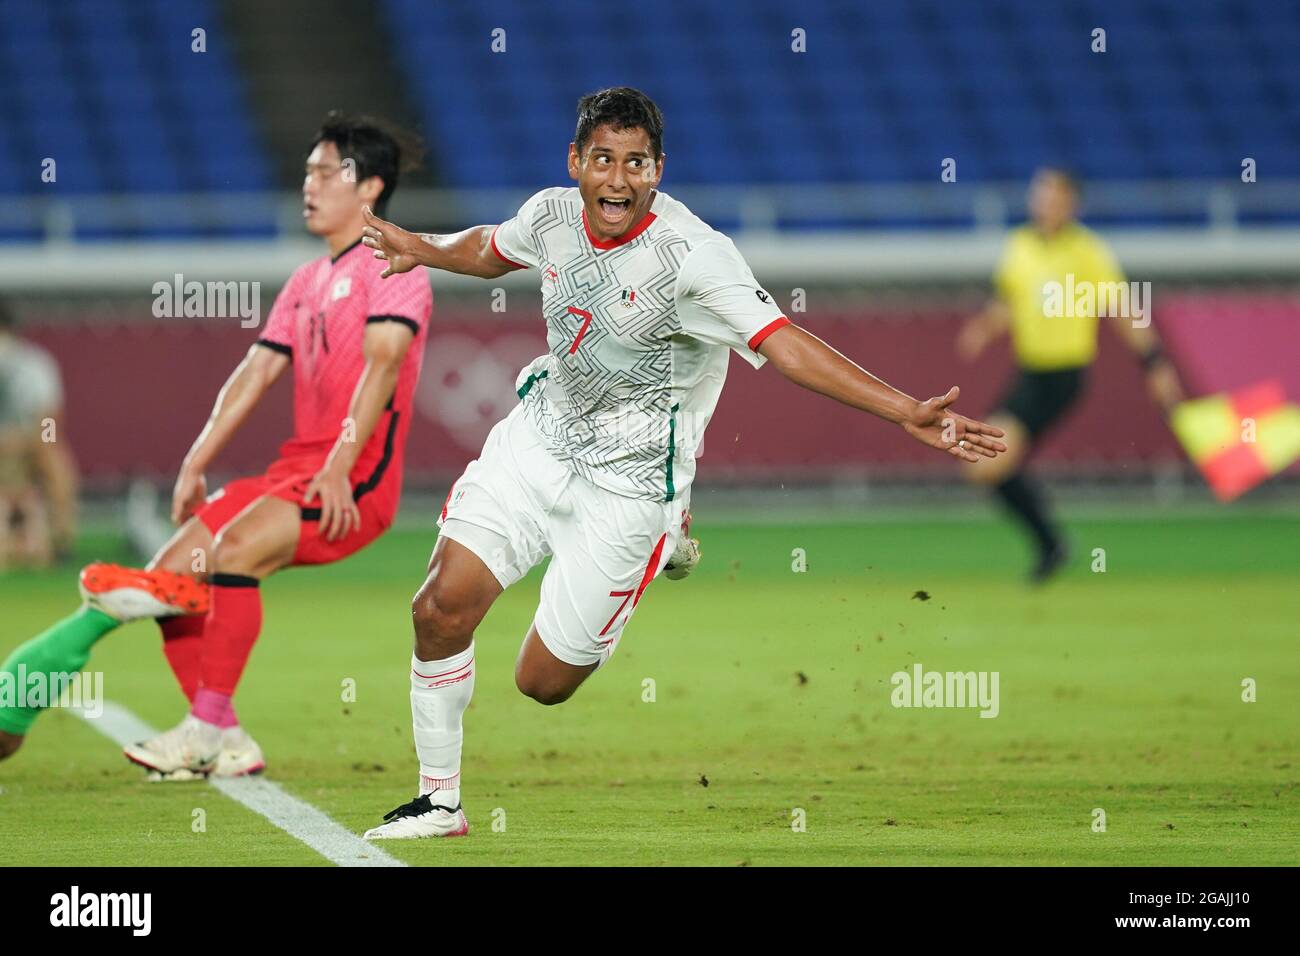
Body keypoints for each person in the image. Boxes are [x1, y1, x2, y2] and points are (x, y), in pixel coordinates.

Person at [355, 87, 1006, 839]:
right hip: (539, 440)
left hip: (631, 484)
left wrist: (903, 410)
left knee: (541, 683)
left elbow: (784, 344)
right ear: (576, 163)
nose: (618, 179)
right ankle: (439, 801)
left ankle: (665, 539)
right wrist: (423, 249)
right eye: (603, 160)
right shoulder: (552, 215)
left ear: (658, 171)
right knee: (438, 609)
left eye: (636, 163)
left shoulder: (695, 258)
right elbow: (494, 249)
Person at [0, 113, 432, 774]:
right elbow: (254, 372)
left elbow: (381, 367)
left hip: (357, 479)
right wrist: (194, 462)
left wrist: (343, 465)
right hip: (294, 472)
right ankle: (227, 739)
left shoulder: (398, 268)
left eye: (324, 172)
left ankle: (199, 733)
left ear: (368, 187)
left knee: (232, 552)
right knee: (169, 577)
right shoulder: (306, 282)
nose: (307, 184)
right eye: (307, 171)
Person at [957, 167, 1186, 582]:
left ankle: (1052, 543)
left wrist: (1155, 362)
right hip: (1029, 373)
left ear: (1070, 204)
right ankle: (1052, 544)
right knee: (984, 463)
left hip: (1061, 378)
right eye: (1039, 194)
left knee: (987, 460)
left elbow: (1122, 309)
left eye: (1052, 196)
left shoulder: (1087, 252)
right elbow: (1011, 300)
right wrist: (985, 327)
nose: (1043, 203)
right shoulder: (1020, 245)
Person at [0, 299, 78, 570]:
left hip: (26, 446)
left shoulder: (35, 365)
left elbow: (49, 421)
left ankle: (60, 541)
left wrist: (37, 444)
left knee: (55, 459)